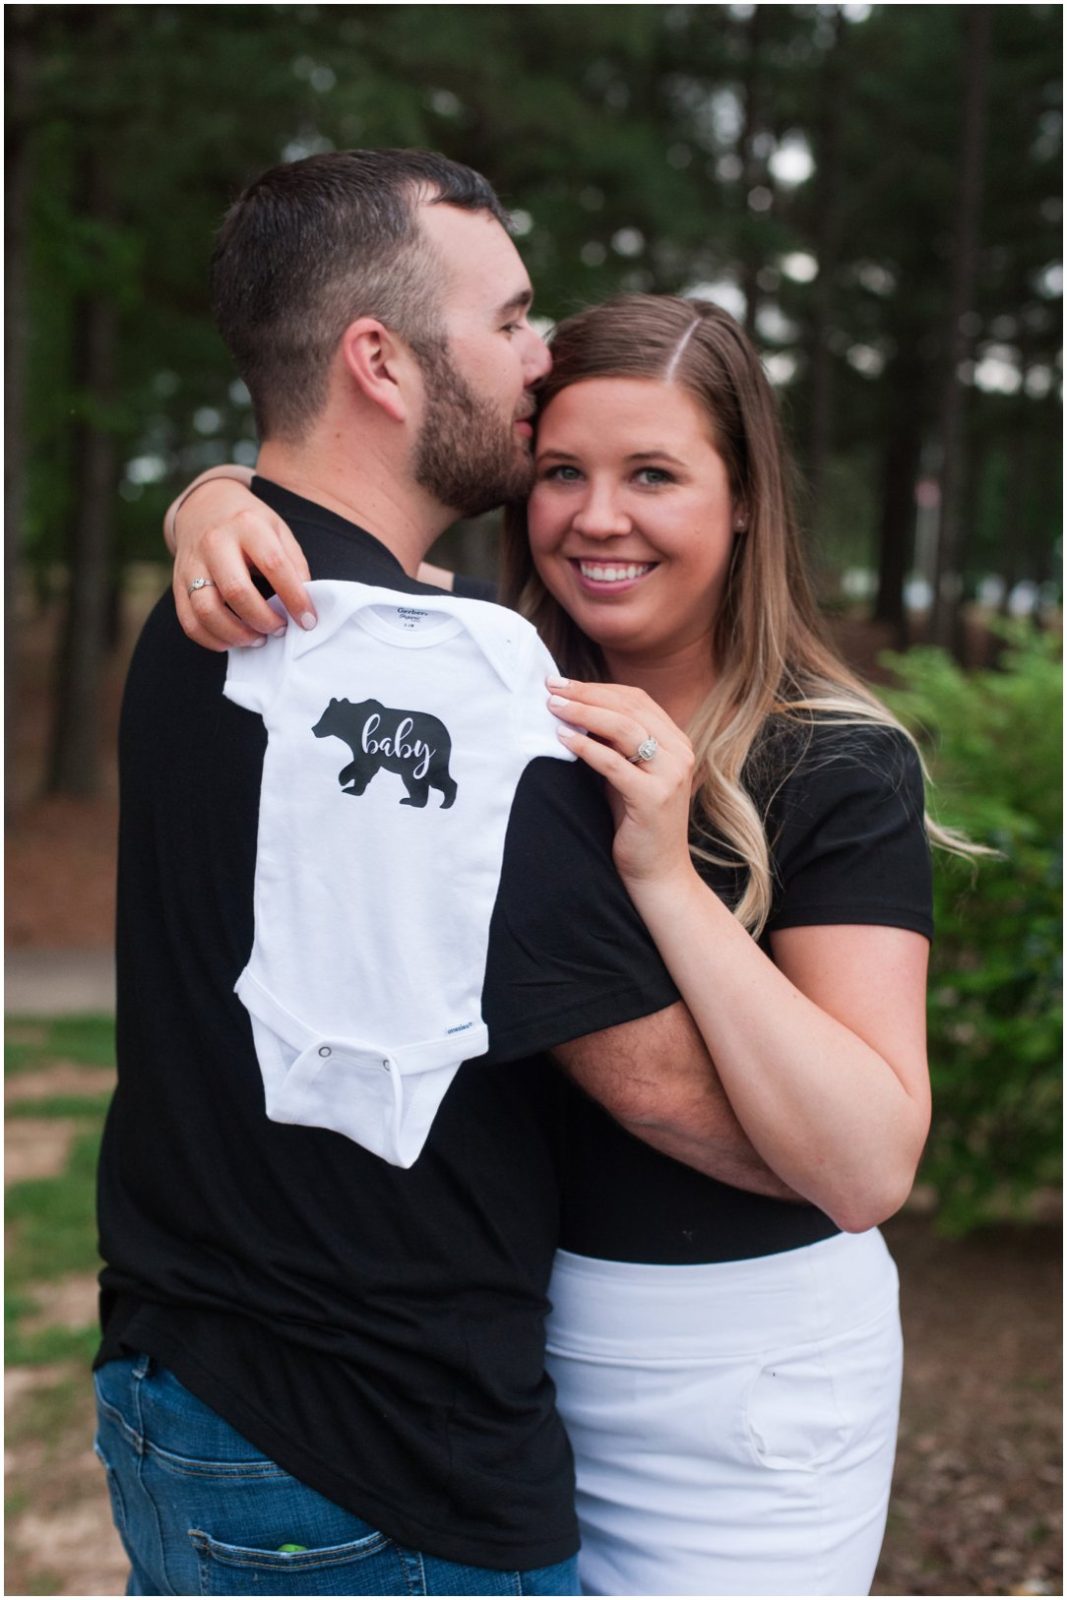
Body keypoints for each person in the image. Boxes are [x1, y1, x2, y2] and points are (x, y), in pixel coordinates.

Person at [167, 288, 976, 1596]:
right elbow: (323, 536)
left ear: (745, 498)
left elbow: (871, 1160)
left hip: (742, 1385)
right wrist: (207, 495)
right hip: (510, 1371)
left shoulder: (835, 762)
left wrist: (662, 874)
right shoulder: (481, 700)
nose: (598, 517)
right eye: (561, 473)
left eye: (653, 473)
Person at [96, 151, 798, 1599]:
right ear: (382, 361)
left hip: (184, 1391)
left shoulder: (209, 610)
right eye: (514, 320)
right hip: (378, 1460)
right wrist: (838, 1170)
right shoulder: (435, 681)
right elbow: (669, 1093)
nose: (540, 364)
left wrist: (206, 489)